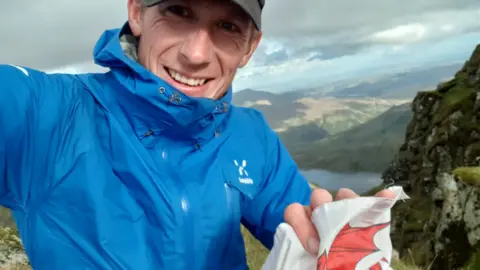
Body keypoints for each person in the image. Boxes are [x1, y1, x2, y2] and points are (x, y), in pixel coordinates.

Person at [0, 0, 394, 269]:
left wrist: (331, 240)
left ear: (250, 47)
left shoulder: (250, 135)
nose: (197, 54)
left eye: (227, 26)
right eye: (178, 10)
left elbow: (302, 228)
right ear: (136, 11)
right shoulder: (46, 114)